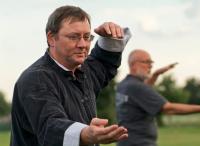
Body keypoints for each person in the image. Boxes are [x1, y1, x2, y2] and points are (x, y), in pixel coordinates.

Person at [10, 5, 132, 146]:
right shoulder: (36, 79)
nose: (83, 44)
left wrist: (110, 38)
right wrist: (85, 134)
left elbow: (104, 64)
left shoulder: (83, 71)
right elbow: (50, 125)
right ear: (51, 38)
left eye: (87, 37)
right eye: (73, 37)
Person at [115, 49, 200, 146]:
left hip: (127, 142)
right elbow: (168, 108)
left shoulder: (124, 85)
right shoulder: (136, 87)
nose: (150, 66)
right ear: (133, 64)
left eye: (151, 63)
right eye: (146, 62)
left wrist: (156, 74)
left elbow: (144, 93)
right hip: (139, 143)